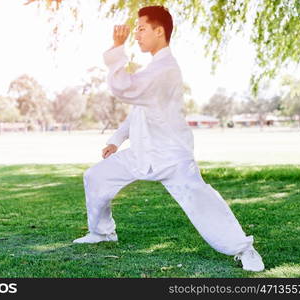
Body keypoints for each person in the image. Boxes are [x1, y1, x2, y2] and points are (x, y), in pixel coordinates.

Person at [73, 5, 264, 272]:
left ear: (159, 31)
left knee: (202, 201)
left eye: (141, 29)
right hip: (141, 153)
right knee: (95, 177)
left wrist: (117, 48)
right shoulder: (155, 68)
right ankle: (102, 232)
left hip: (172, 157)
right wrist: (117, 139)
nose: (136, 35)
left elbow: (123, 88)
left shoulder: (165, 69)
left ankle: (244, 249)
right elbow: (138, 112)